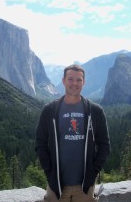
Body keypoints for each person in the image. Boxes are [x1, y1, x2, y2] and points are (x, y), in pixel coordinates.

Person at [35, 64, 111, 202]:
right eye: (70, 79)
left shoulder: (95, 111)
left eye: (78, 80)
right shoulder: (49, 110)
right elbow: (40, 144)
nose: (74, 83)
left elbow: (104, 146)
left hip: (84, 187)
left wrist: (92, 173)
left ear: (84, 82)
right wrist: (50, 173)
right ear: (63, 81)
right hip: (56, 186)